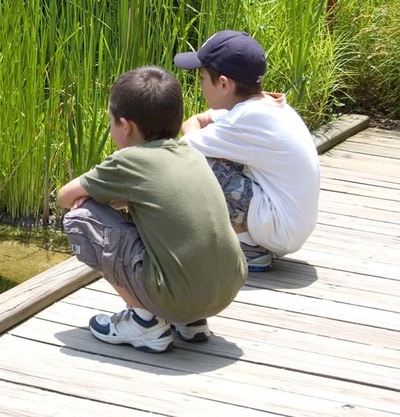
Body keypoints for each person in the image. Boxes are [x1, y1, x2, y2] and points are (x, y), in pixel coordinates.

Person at [57, 66, 247, 354]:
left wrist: (102, 199)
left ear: (126, 126)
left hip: (179, 296)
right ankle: (191, 322)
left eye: (111, 121)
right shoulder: (190, 152)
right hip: (226, 288)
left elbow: (64, 196)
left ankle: (143, 322)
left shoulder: (130, 161)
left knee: (81, 217)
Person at [174, 30, 320, 272]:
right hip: (289, 222)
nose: (200, 86)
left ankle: (249, 247)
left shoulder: (246, 120)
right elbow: (197, 121)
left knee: (197, 164)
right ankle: (245, 238)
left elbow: (183, 150)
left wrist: (196, 137)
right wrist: (197, 133)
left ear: (223, 84)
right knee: (210, 154)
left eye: (201, 79)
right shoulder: (261, 108)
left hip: (280, 228)